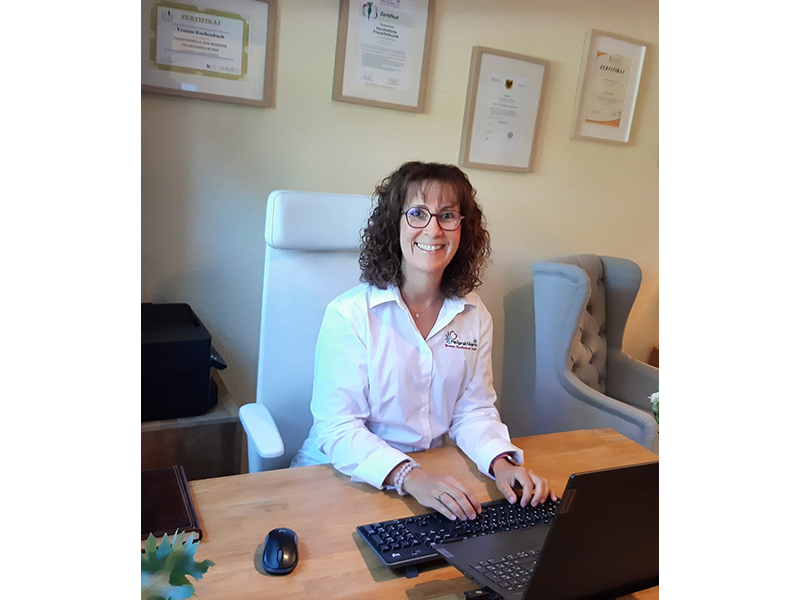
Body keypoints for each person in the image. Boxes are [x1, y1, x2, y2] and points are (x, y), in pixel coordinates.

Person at [292, 161, 557, 521]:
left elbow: (473, 411)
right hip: (339, 477)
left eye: (447, 215)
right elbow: (338, 427)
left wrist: (502, 463)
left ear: (463, 229)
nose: (433, 229)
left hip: (430, 475)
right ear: (395, 224)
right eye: (417, 213)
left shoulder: (474, 314)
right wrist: (409, 476)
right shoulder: (350, 314)